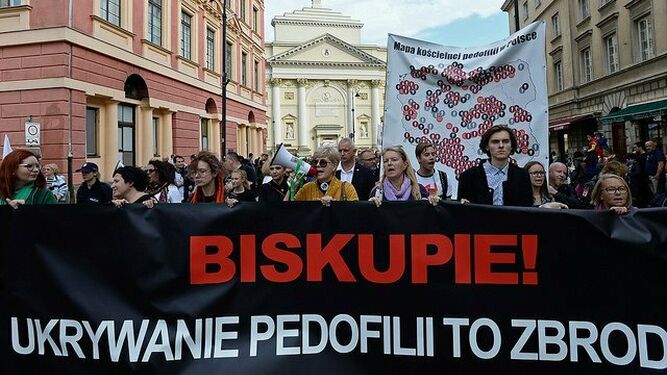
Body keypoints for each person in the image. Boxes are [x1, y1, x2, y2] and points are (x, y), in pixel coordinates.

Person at [457, 125, 532, 206]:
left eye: (506, 141)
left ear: (511, 146)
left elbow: (527, 208)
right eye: (495, 142)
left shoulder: (522, 176)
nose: (501, 146)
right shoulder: (468, 176)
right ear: (487, 146)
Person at [369, 146, 439, 207]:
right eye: (386, 161)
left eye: (394, 160)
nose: (389, 163)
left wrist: (433, 201)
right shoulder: (377, 192)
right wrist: (370, 206)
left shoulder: (419, 190)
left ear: (405, 164)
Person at [294, 145, 358, 206]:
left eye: (323, 162)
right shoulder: (307, 188)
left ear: (334, 166)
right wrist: (292, 187)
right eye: (315, 162)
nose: (318, 165)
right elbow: (293, 210)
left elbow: (355, 212)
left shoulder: (347, 188)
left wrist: (335, 205)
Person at [628, 142, 650, 207]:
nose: (634, 149)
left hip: (642, 176)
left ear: (640, 147)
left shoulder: (644, 155)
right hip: (639, 178)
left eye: (635, 147)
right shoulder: (638, 156)